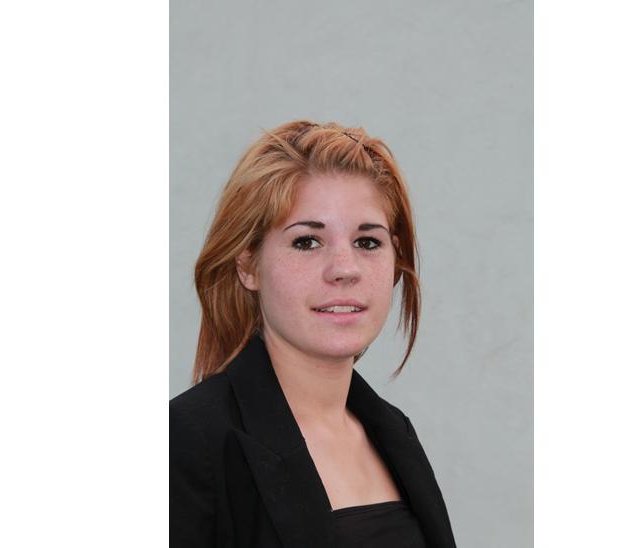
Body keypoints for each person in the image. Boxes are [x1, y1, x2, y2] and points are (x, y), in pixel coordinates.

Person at [170, 120, 456, 547]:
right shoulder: (185, 441)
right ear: (248, 266)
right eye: (307, 241)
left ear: (395, 258)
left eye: (367, 242)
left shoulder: (394, 433)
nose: (345, 269)